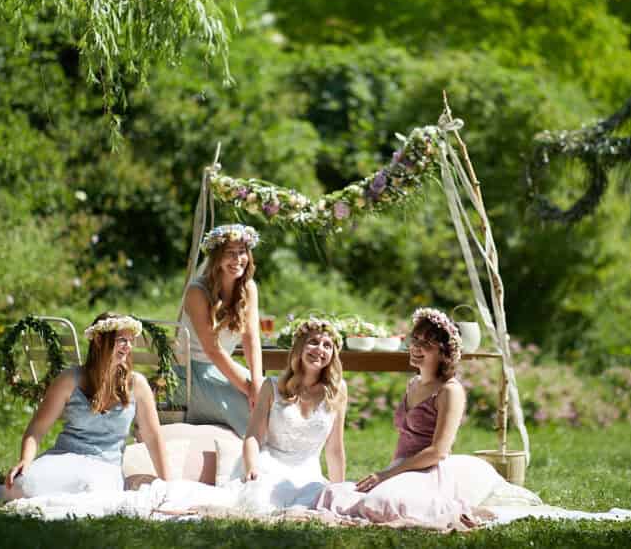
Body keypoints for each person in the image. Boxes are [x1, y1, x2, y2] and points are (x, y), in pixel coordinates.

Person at [315, 307, 537, 530]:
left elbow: (439, 451)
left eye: (427, 343)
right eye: (415, 339)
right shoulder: (413, 384)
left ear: (443, 352)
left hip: (428, 470)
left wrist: (386, 475)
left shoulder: (450, 391)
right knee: (335, 494)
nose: (417, 347)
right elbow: (404, 439)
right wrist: (389, 473)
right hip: (402, 468)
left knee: (381, 504)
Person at [4, 312, 171, 499]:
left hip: (105, 467)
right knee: (21, 486)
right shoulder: (69, 379)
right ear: (99, 340)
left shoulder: (137, 384)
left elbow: (153, 437)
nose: (128, 347)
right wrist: (25, 460)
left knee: (92, 493)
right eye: (122, 340)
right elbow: (37, 428)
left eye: (131, 341)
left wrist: (168, 485)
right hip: (64, 457)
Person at [226, 317, 347, 512]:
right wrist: (251, 468)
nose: (320, 349)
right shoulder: (271, 386)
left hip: (308, 473)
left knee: (313, 506)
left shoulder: (337, 390)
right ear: (299, 348)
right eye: (313, 342)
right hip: (270, 465)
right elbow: (253, 436)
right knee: (259, 504)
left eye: (327, 346)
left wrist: (339, 491)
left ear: (333, 354)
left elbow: (334, 449)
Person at [177, 224, 264, 437]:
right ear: (216, 258)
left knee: (273, 399)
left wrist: (257, 384)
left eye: (242, 252)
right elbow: (213, 350)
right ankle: (250, 461)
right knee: (250, 411)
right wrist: (248, 389)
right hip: (192, 374)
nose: (237, 259)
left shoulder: (248, 288)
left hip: (224, 368)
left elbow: (252, 340)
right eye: (230, 253)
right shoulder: (197, 292)